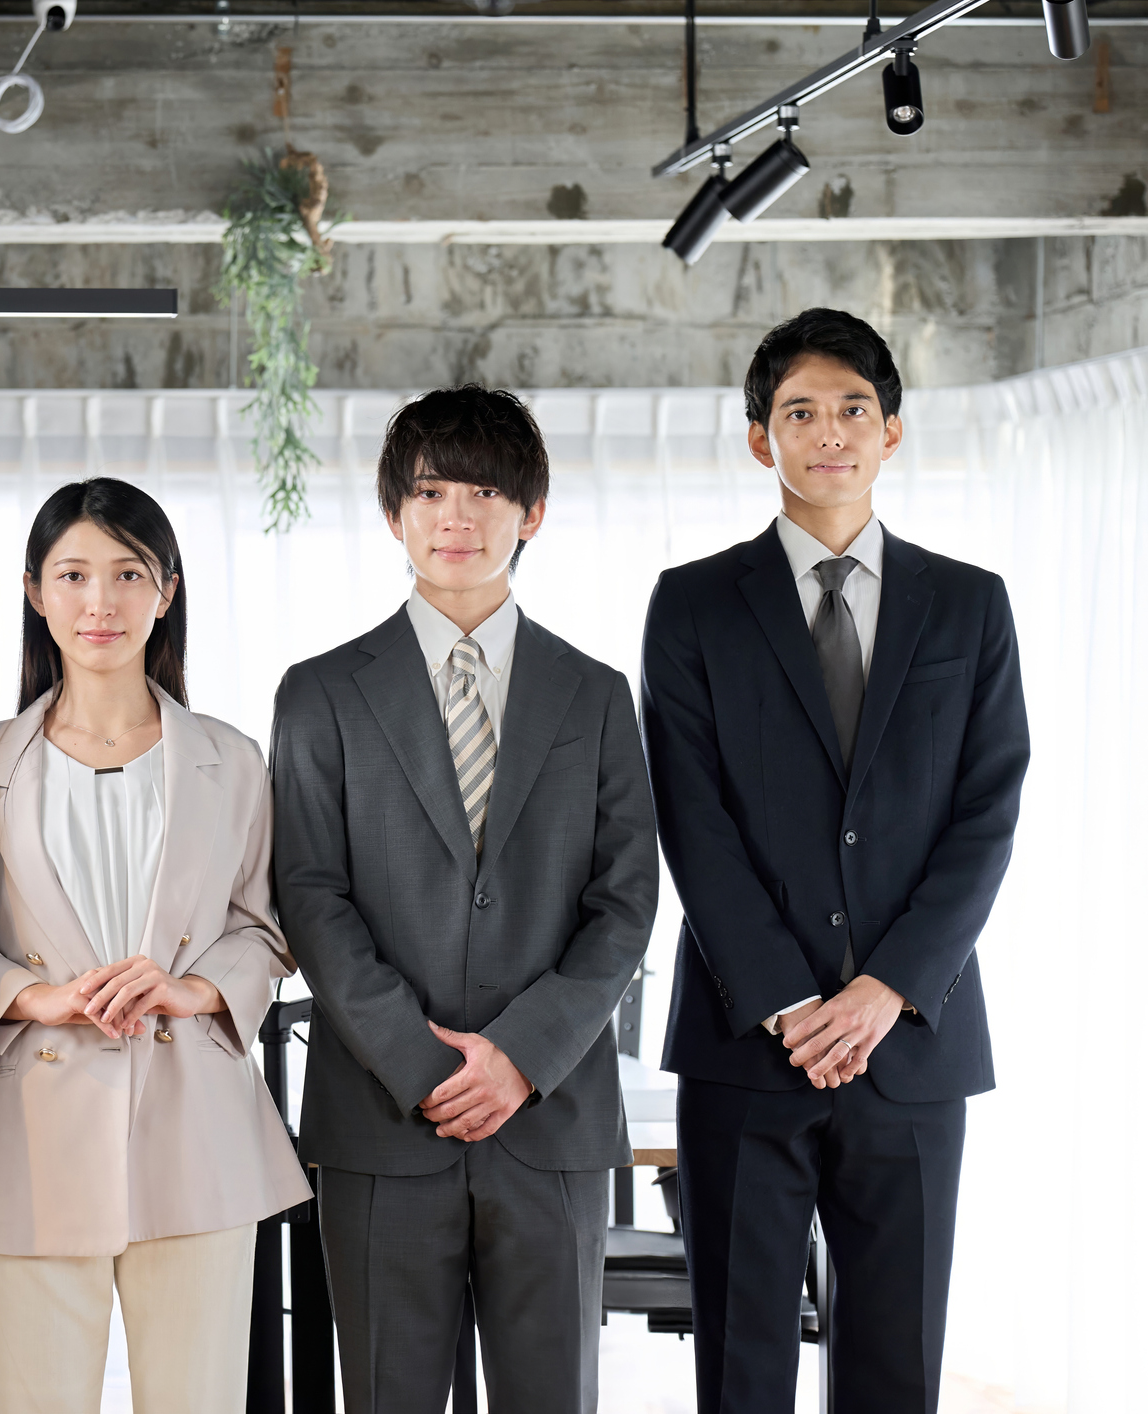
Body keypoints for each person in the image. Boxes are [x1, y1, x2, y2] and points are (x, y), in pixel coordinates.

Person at [641, 309, 1029, 1413]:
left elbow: (987, 816)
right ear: (760, 438)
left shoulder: (970, 604)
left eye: (854, 408)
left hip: (912, 1047)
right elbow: (692, 817)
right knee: (741, 1367)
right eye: (800, 411)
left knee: (894, 1369)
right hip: (745, 1043)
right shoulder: (694, 603)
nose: (830, 432)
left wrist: (882, 990)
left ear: (892, 431)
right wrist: (789, 1000)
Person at [272, 386, 659, 1414]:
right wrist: (427, 1062)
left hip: (553, 1123)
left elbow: (626, 902)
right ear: (392, 511)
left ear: (532, 513)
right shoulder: (320, 694)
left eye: (486, 490)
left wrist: (522, 1056)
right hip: (382, 1125)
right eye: (431, 490)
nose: (456, 515)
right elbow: (310, 895)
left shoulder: (597, 693)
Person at [0, 478, 310, 1414]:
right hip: (37, 1127)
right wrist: (36, 996)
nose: (100, 603)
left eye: (128, 574)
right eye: (73, 575)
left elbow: (266, 928)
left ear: (165, 591)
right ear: (34, 591)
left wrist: (195, 988)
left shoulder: (232, 759)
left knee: (198, 1400)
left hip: (198, 1128)